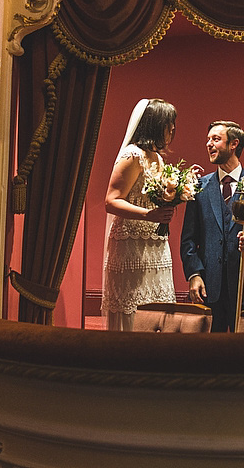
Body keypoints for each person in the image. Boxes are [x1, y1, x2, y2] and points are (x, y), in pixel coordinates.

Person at [180, 121, 244, 332]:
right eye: (208, 139)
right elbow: (188, 239)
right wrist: (194, 274)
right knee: (209, 357)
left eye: (215, 139)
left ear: (234, 144)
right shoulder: (198, 187)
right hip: (208, 290)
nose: (208, 144)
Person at [101, 98, 179, 331]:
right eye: (169, 123)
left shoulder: (157, 158)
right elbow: (111, 201)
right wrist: (149, 215)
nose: (173, 129)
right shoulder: (132, 155)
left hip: (155, 243)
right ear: (155, 124)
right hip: (131, 244)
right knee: (132, 303)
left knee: (157, 303)